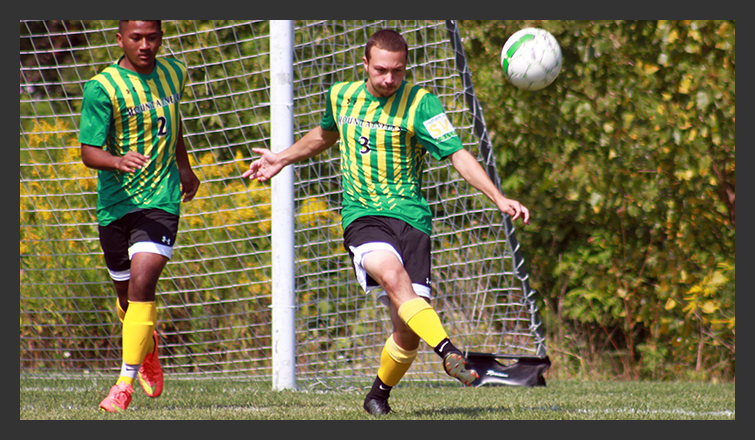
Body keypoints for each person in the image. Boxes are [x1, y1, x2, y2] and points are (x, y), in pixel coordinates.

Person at [242, 29, 530, 415]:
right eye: (381, 70)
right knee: (393, 277)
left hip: (412, 220)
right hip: (364, 216)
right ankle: (449, 353)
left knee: (407, 331)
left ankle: (377, 394)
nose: (389, 79)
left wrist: (498, 196)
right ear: (365, 64)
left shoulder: (422, 104)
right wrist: (282, 158)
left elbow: (457, 154)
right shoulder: (342, 96)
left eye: (397, 71)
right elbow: (326, 134)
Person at [79, 20, 200, 412]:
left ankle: (123, 384)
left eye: (153, 38)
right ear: (120, 39)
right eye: (136, 38)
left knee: (144, 281)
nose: (145, 45)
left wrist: (183, 166)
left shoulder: (175, 73)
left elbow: (174, 121)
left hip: (160, 200)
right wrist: (117, 161)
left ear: (161, 38)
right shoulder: (103, 87)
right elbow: (88, 152)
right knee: (127, 294)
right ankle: (146, 348)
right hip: (116, 204)